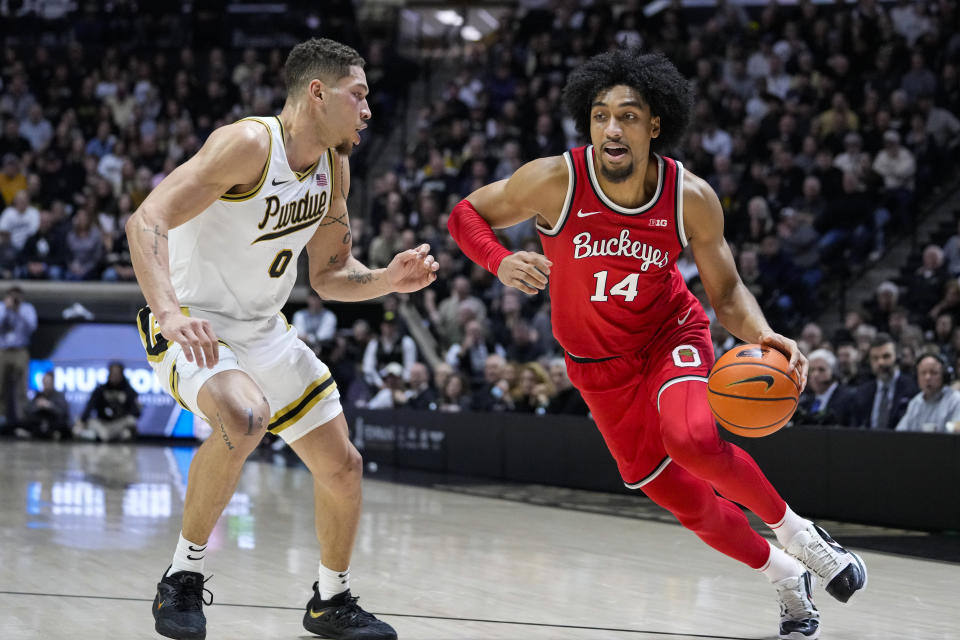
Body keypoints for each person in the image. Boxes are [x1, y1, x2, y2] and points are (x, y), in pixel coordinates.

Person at [447, 49, 866, 640]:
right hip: (596, 370)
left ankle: (802, 536)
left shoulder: (688, 196)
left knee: (692, 439)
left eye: (627, 115)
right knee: (686, 503)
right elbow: (465, 213)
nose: (611, 129)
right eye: (599, 116)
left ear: (654, 124)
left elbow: (726, 294)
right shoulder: (553, 180)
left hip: (670, 336)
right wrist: (498, 260)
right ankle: (784, 576)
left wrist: (761, 331)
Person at [126, 38, 437, 640]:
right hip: (196, 321)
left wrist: (387, 282)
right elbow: (147, 220)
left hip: (265, 328)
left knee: (344, 467)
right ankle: (182, 577)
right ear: (317, 93)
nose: (369, 109)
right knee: (245, 419)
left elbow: (328, 277)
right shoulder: (248, 144)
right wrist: (168, 313)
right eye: (360, 94)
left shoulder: (334, 167)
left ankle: (331, 600)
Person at [850, 333, 918, 429]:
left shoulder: (912, 388)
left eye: (886, 356)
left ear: (897, 357)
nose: (880, 362)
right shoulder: (862, 392)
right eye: (875, 358)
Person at [0, 286, 37, 432]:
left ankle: (22, 419)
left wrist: (18, 310)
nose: (14, 299)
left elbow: (32, 327)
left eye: (17, 296)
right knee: (0, 386)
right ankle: (1, 418)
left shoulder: (27, 309)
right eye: (12, 296)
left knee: (22, 387)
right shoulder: (2, 307)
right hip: (2, 350)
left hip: (21, 350)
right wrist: (7, 310)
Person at [74, 361, 141, 441]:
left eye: (117, 373)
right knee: (82, 426)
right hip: (103, 423)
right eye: (113, 373)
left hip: (119, 423)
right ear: (109, 374)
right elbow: (89, 407)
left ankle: (101, 436)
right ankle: (103, 436)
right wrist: (82, 420)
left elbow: (136, 412)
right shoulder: (100, 390)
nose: (115, 376)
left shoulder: (129, 391)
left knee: (131, 421)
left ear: (122, 374)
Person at [895, 353, 960, 432]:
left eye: (933, 373)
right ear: (917, 377)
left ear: (944, 376)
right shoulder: (915, 403)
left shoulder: (955, 401)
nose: (927, 377)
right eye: (923, 373)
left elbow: (956, 437)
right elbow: (900, 433)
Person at [795, 349, 856, 426]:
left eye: (821, 369)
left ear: (834, 372)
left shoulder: (848, 398)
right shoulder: (804, 400)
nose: (815, 374)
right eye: (811, 370)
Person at [20, 370, 70, 439]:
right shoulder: (38, 395)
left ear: (52, 382)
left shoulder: (58, 396)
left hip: (54, 425)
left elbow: (63, 412)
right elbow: (27, 409)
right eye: (45, 382)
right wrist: (37, 406)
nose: (46, 384)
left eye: (48, 382)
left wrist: (49, 405)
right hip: (38, 425)